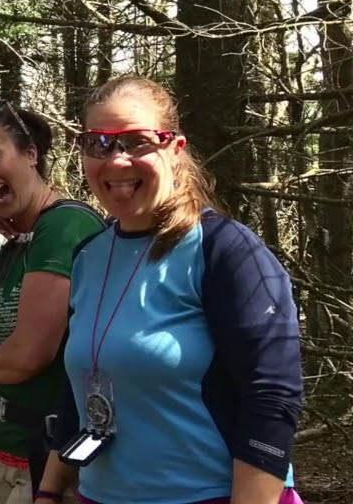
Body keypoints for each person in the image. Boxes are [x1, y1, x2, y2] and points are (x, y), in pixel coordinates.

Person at [37, 76, 303, 504]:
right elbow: (83, 388)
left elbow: (272, 396)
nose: (116, 161)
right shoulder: (88, 256)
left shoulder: (225, 250)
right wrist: (49, 490)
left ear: (175, 150)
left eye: (137, 142)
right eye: (98, 143)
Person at [0, 102, 104, 504]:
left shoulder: (65, 226)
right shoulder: (13, 245)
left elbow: (28, 355)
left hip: (55, 459)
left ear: (30, 154)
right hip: (10, 448)